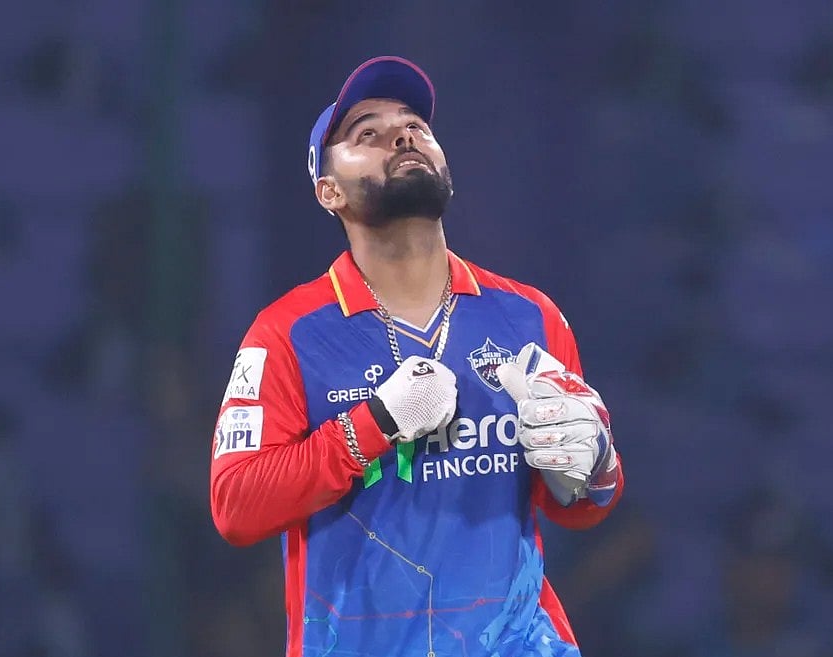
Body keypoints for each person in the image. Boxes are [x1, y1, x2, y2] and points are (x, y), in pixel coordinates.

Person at [209, 56, 623, 657]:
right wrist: (374, 424)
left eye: (415, 127)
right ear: (329, 191)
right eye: (367, 134)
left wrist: (596, 462)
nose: (402, 135)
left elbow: (581, 508)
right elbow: (235, 506)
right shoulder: (287, 334)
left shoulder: (530, 316)